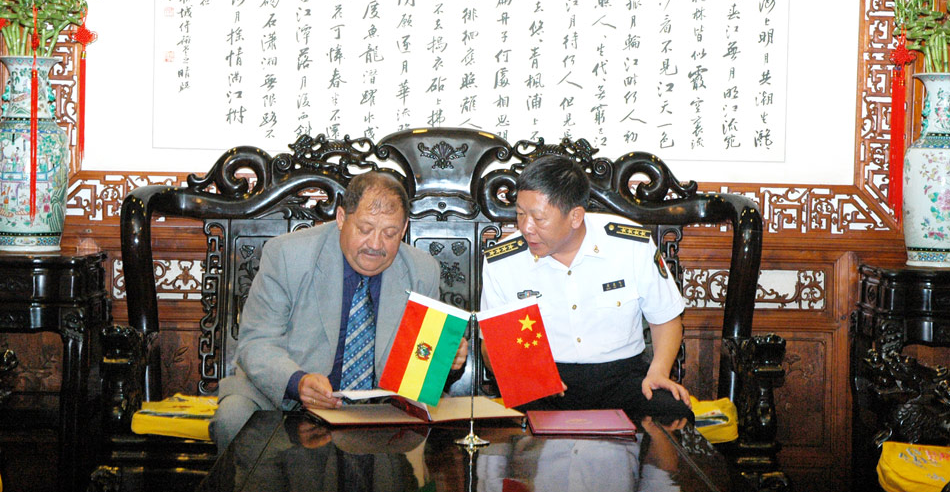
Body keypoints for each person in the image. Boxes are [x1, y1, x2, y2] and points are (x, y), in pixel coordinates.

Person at [212, 171, 468, 450]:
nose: (375, 244)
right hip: (284, 397)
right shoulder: (287, 255)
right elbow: (256, 343)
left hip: (379, 409)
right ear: (342, 218)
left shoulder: (421, 271)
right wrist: (298, 382)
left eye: (390, 233)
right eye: (365, 229)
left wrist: (445, 362)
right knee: (233, 416)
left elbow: (418, 369)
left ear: (404, 228)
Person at [480, 155, 692, 422]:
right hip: (545, 384)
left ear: (575, 216)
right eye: (520, 215)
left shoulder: (631, 245)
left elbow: (666, 318)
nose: (526, 228)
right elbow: (492, 346)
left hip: (622, 380)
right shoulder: (503, 260)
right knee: (508, 427)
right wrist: (525, 377)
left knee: (675, 414)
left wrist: (659, 372)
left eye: (538, 218)